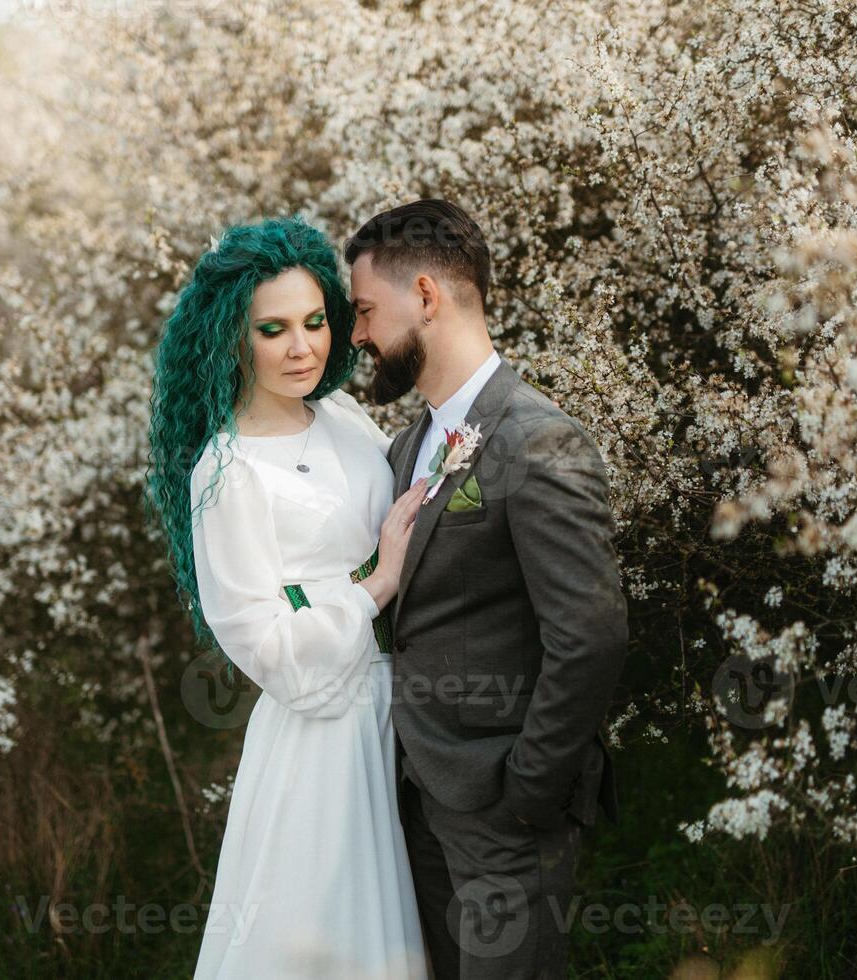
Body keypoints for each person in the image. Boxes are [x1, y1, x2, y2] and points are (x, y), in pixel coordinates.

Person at [345, 199, 628, 980]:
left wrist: (529, 792)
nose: (359, 334)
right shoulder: (407, 446)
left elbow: (590, 633)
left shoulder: (540, 441)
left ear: (427, 296)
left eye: (367, 310)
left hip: (506, 811)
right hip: (417, 802)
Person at [146, 216, 430, 979]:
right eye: (273, 329)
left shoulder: (342, 416)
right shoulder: (226, 470)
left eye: (314, 323)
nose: (302, 348)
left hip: (402, 706)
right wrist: (374, 590)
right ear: (234, 337)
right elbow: (263, 646)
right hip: (323, 732)